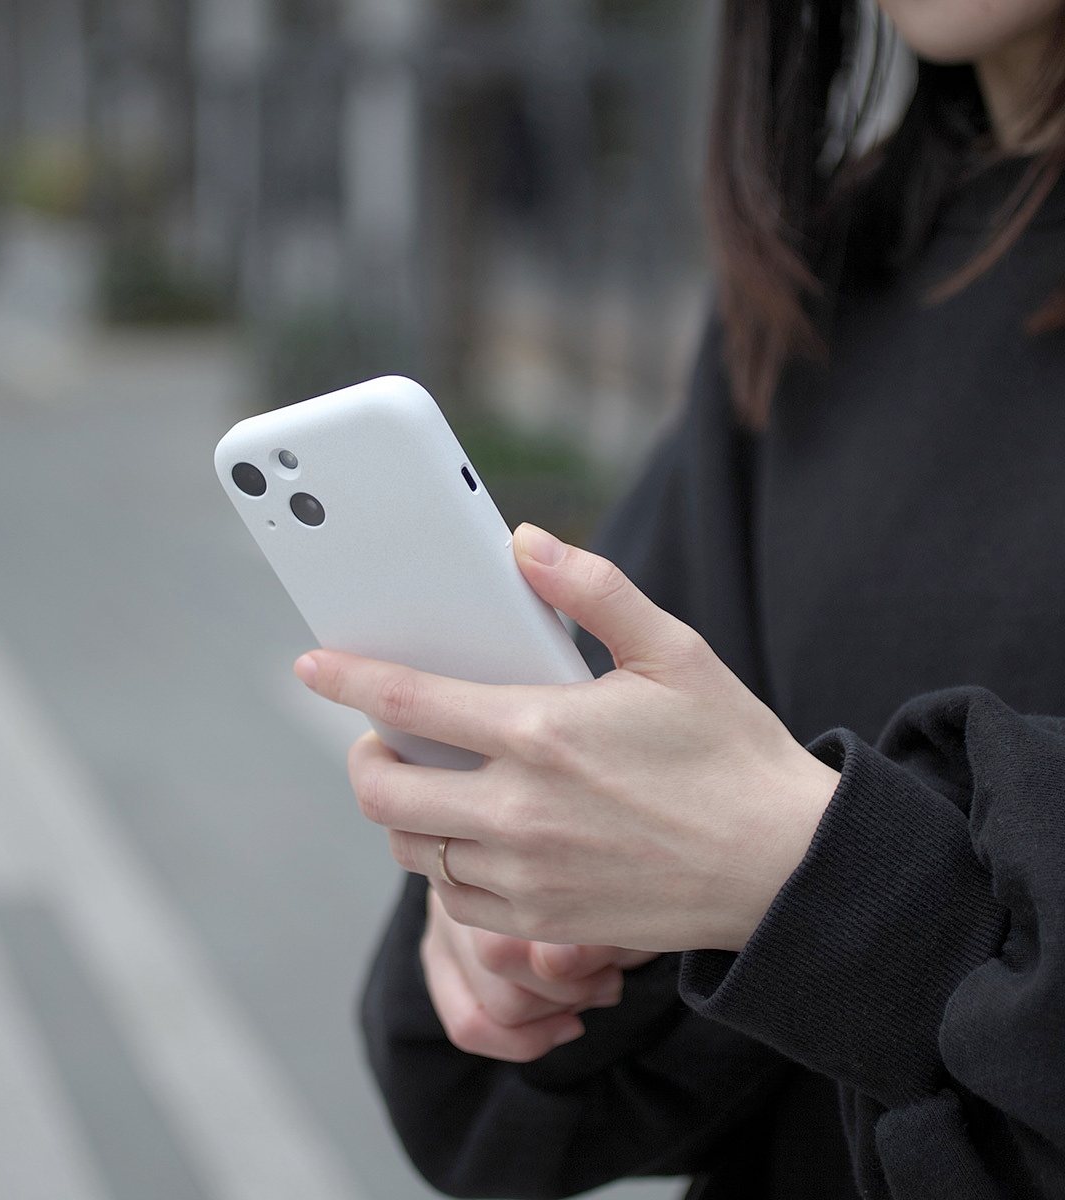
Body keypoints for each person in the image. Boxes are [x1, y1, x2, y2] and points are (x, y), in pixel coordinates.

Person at [294, 1, 1065, 1196]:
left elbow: (781, 874)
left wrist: (812, 881)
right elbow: (510, 1089)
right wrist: (545, 907)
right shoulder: (824, 272)